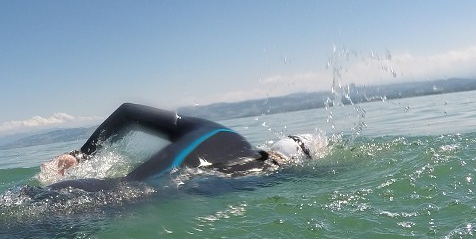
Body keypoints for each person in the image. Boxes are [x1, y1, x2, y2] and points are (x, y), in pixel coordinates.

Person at [43, 102, 322, 184]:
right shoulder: (262, 171)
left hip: (88, 191)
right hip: (122, 206)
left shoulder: (216, 130)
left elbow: (128, 112)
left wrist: (81, 155)